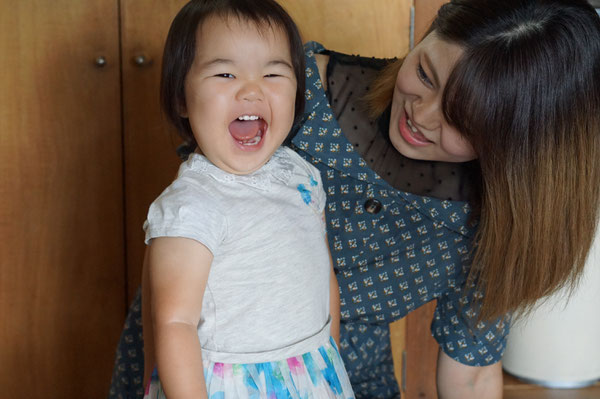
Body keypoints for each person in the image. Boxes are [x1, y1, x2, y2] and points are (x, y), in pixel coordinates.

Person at [109, 0, 600, 398]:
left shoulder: (498, 219)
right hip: (196, 365)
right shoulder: (282, 85)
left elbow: (470, 376)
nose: (422, 115)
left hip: (336, 375)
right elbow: (179, 247)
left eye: (460, 119)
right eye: (426, 74)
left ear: (518, 148)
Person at [136, 0, 355, 398]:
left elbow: (323, 275)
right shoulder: (191, 206)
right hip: (227, 384)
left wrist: (330, 357)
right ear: (182, 99)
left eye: (273, 73)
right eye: (225, 73)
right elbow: (172, 325)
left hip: (311, 370)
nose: (252, 89)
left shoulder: (300, 175)